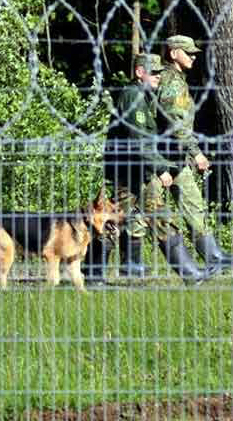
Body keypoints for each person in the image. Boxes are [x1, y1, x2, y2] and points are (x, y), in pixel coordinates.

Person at [84, 53, 214, 284]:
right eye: (152, 73)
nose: (157, 77)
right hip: (128, 175)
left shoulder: (143, 97)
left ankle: (190, 274)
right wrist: (161, 168)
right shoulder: (133, 97)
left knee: (123, 221)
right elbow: (139, 140)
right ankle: (94, 275)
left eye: (159, 73)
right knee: (123, 221)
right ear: (139, 72)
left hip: (136, 175)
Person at [155, 34, 233, 273]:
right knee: (143, 213)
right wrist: (196, 153)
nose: (194, 56)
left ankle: (213, 255)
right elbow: (176, 123)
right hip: (162, 158)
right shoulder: (171, 82)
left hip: (175, 156)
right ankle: (108, 266)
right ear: (174, 53)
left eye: (194, 52)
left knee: (194, 204)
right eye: (188, 52)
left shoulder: (175, 79)